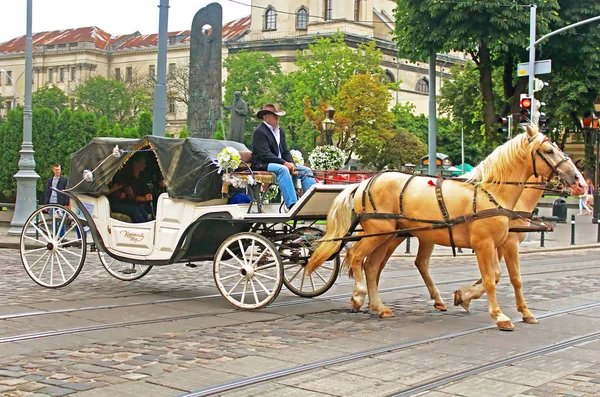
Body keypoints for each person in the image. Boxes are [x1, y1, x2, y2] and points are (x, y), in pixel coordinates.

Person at [251, 104, 315, 210]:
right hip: (262, 163)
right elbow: (265, 155)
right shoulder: (259, 132)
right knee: (283, 169)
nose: (278, 119)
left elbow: (285, 151)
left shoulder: (280, 131)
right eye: (274, 116)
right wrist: (285, 163)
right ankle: (293, 205)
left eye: (278, 116)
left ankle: (310, 203)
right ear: (266, 117)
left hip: (279, 162)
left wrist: (292, 165)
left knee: (306, 171)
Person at [108, 154, 153, 223]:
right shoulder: (124, 177)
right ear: (136, 163)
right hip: (115, 203)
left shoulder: (141, 177)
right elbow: (131, 196)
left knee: (143, 212)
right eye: (143, 163)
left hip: (124, 202)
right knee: (135, 210)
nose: (145, 166)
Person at [44, 163, 69, 237]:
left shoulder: (65, 180)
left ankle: (61, 236)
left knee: (61, 221)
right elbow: (47, 192)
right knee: (53, 221)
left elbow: (67, 192)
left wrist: (66, 204)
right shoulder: (50, 180)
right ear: (53, 170)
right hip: (52, 203)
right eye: (56, 170)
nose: (58, 171)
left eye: (59, 170)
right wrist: (46, 205)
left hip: (60, 203)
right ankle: (55, 236)